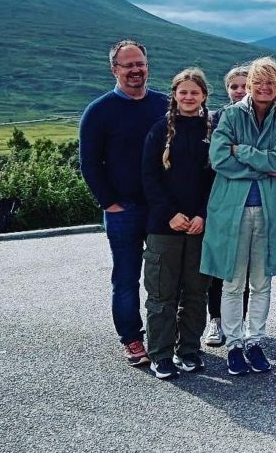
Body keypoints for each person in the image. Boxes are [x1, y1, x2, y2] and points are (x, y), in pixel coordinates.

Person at [202, 57, 276, 376]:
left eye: (270, 82)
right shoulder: (230, 116)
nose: (264, 87)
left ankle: (254, 341)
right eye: (259, 81)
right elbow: (218, 160)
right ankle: (233, 345)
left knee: (261, 281)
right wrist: (264, 165)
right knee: (232, 280)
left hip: (270, 210)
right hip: (232, 209)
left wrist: (242, 151)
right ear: (251, 83)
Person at [79, 39, 168, 367]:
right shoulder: (99, 111)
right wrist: (109, 203)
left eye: (140, 63)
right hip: (124, 210)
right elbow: (89, 162)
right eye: (128, 65)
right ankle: (132, 338)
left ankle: (165, 337)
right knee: (127, 276)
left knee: (166, 277)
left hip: (161, 209)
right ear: (114, 69)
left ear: (147, 66)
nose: (135, 70)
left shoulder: (163, 104)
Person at [140, 68, 215, 379]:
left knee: (196, 293)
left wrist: (202, 214)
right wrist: (170, 213)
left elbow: (215, 179)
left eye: (194, 92)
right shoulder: (159, 131)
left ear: (203, 97)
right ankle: (161, 353)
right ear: (174, 95)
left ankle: (189, 350)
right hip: (163, 226)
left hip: (199, 226)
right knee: (162, 294)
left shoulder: (212, 133)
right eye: (183, 92)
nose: (188, 97)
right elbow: (150, 178)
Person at [204, 65, 251, 348]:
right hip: (220, 198)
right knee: (220, 264)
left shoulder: (259, 117)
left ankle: (239, 321)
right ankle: (216, 320)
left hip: (247, 200)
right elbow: (214, 159)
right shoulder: (216, 118)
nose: (240, 91)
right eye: (234, 86)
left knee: (243, 267)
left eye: (245, 85)